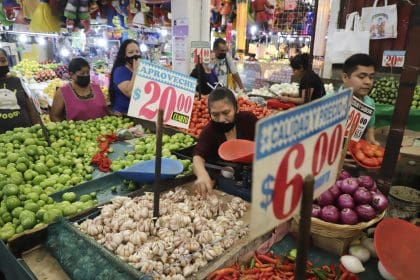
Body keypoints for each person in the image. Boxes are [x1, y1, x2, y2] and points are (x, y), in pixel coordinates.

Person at [193, 87, 257, 195]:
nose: (221, 119)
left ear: (236, 108)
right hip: (225, 179)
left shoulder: (248, 120)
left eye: (226, 112)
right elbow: (197, 158)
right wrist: (202, 175)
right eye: (215, 115)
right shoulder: (210, 131)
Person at [50, 57, 109, 122]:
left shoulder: (96, 88)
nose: (86, 75)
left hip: (104, 130)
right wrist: (65, 128)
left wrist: (113, 113)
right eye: (82, 73)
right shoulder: (62, 92)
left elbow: (104, 109)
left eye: (87, 73)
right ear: (71, 74)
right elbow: (54, 116)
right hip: (76, 131)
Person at [342, 53, 379, 146]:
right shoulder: (328, 102)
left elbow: (369, 133)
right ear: (345, 77)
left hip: (355, 153)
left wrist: (372, 142)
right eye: (361, 77)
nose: (368, 82)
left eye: (371, 77)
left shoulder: (369, 103)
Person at [0, 48, 39, 133]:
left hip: (25, 134)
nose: (1, 64)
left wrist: (37, 128)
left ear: (8, 61)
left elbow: (30, 107)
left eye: (3, 61)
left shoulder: (18, 81)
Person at [109, 39, 140, 114]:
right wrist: (136, 71)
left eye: (137, 52)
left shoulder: (140, 69)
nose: (135, 55)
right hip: (123, 114)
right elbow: (130, 93)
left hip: (137, 112)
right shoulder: (120, 71)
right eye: (130, 52)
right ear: (124, 55)